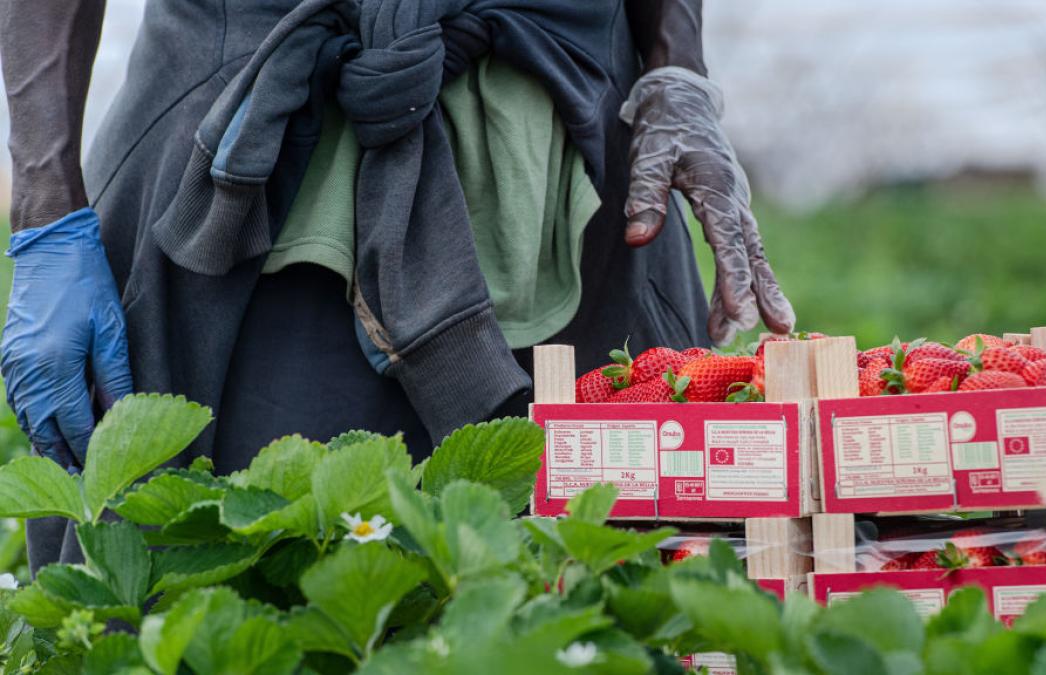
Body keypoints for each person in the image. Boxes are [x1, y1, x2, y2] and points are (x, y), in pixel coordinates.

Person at [0, 0, 794, 572]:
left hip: (579, 167)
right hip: (249, 169)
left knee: (633, 598)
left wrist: (677, 74)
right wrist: (43, 208)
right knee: (230, 588)